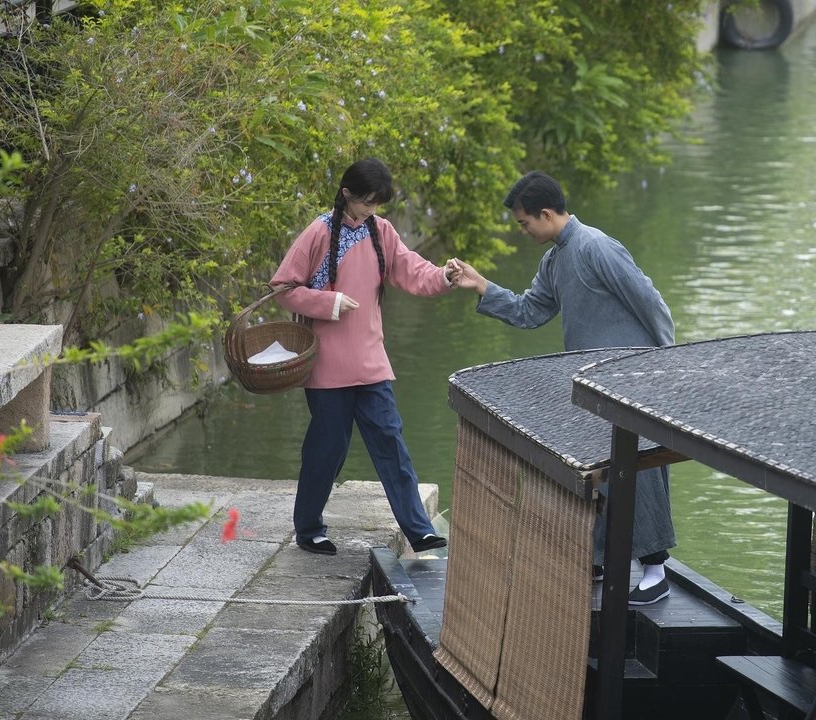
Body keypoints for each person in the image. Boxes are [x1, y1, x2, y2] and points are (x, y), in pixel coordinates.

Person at [446, 170, 677, 605]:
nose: (523, 231)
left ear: (546, 213)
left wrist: (666, 362)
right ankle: (598, 559)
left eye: (523, 223)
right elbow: (530, 311)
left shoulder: (596, 247)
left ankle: (656, 570)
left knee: (641, 471)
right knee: (597, 469)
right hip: (593, 383)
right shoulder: (554, 260)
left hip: (632, 377)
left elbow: (650, 301)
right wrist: (481, 285)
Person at [271, 157, 452, 556]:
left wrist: (444, 276)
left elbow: (412, 270)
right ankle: (309, 528)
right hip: (327, 368)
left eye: (377, 204)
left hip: (371, 363)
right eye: (366, 202)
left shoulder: (380, 231)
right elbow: (283, 287)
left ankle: (418, 530)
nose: (372, 210)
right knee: (327, 450)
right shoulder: (318, 232)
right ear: (347, 193)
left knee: (391, 442)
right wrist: (329, 301)